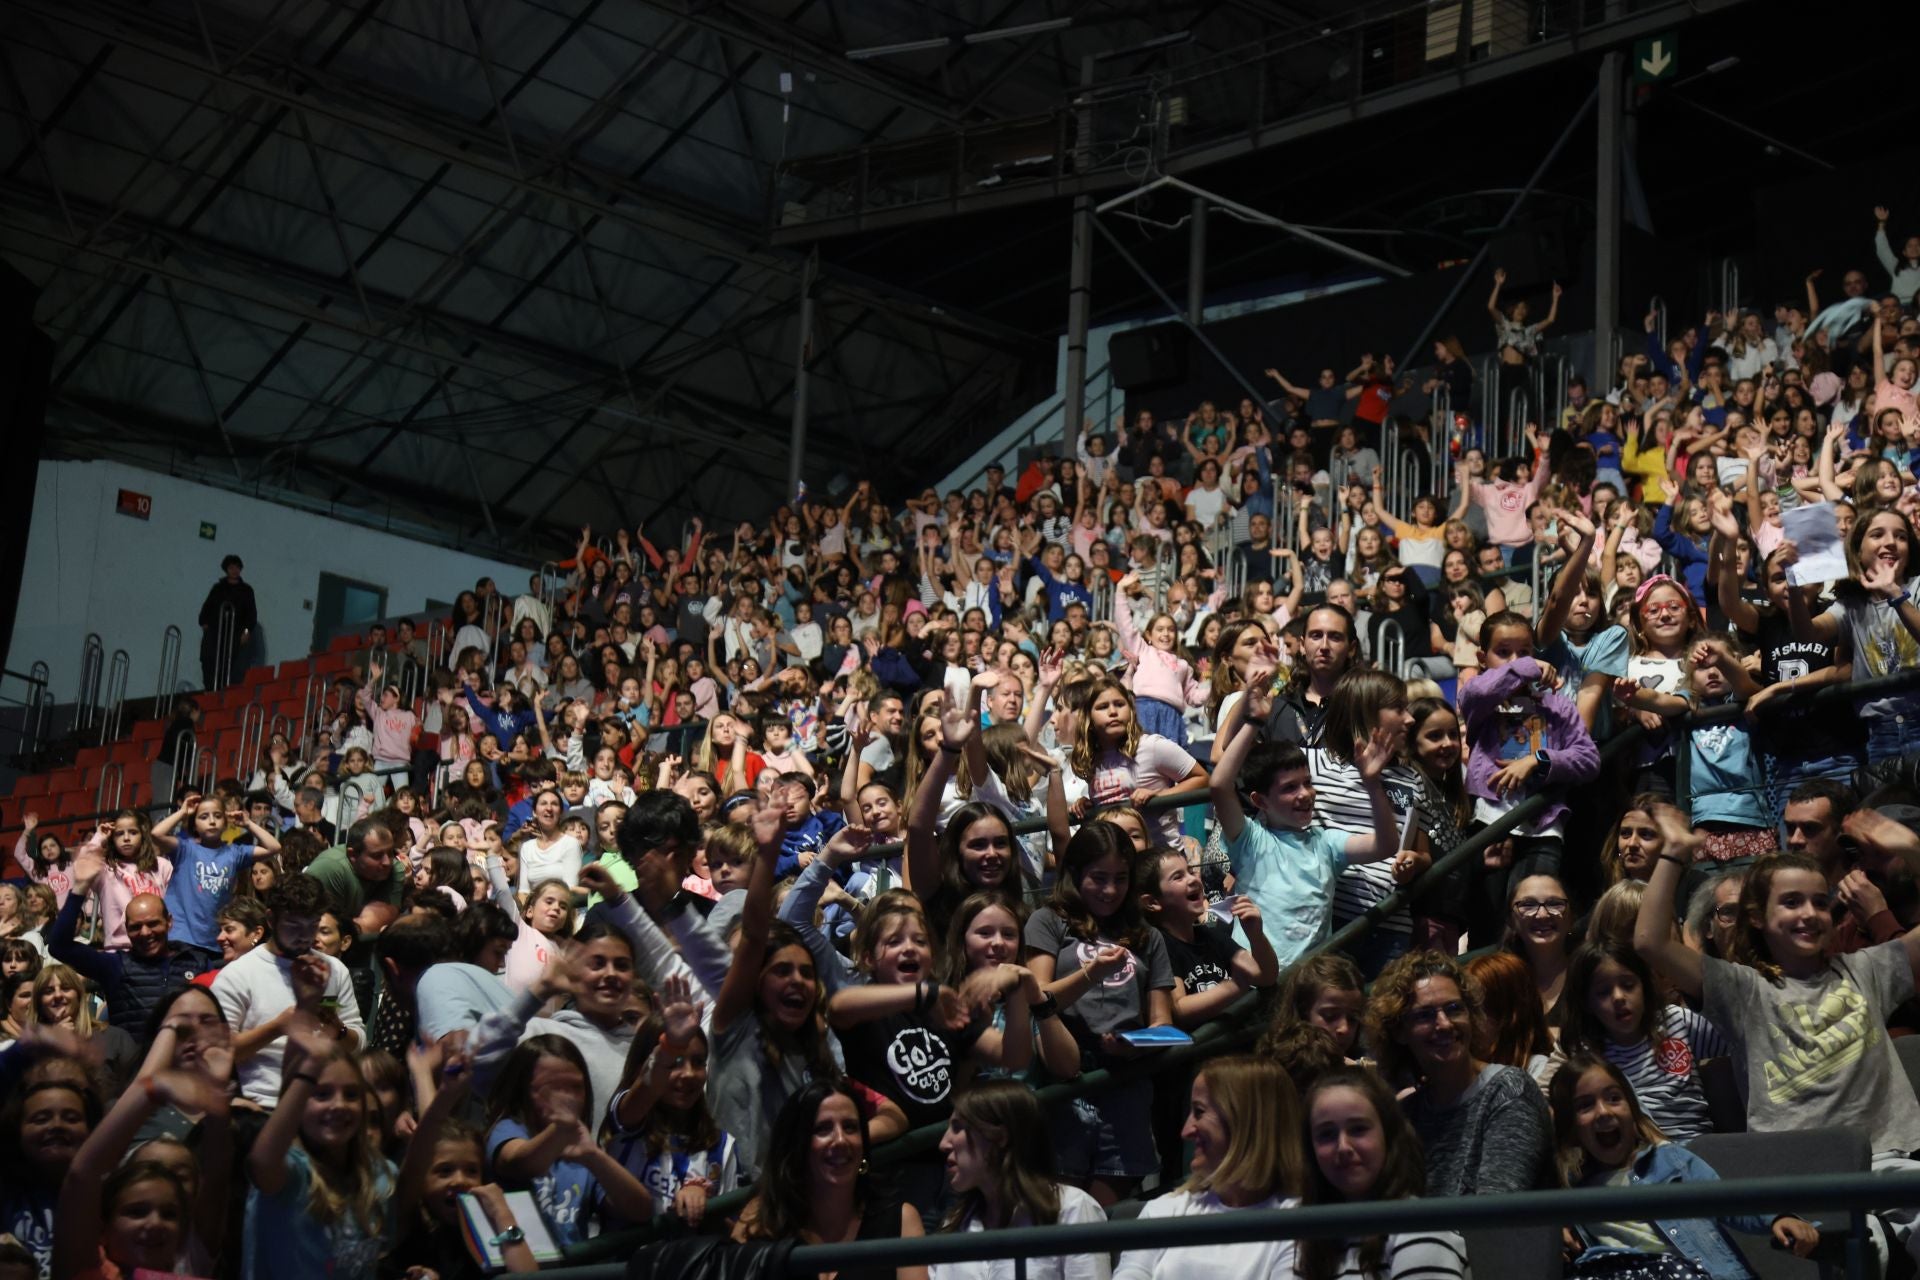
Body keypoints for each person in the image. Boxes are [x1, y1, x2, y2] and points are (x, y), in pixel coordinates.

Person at [1552, 1051, 1819, 1277]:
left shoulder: (1670, 1161)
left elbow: (1730, 1200)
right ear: (1571, 1129)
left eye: (1613, 1098)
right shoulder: (1573, 1195)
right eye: (1585, 1106)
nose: (1603, 1112)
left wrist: (1778, 1218)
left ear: (1633, 1112)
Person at [1365, 949, 1555, 1196]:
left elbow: (1495, 1210)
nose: (1444, 1024)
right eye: (1425, 1015)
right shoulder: (1407, 1114)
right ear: (1399, 1031)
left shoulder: (1508, 1091)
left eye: (1454, 1009)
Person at [1111, 1056, 1305, 1279]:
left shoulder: (1300, 1222)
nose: (1186, 1131)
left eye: (1199, 1112)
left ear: (1243, 1121)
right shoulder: (1164, 1210)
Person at [733, 1079, 927, 1280]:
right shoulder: (761, 1224)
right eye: (823, 1129)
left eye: (850, 1127)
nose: (841, 1140)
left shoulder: (901, 1222)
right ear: (798, 1145)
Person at [1298, 1066, 1470, 1280]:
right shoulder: (1309, 1240)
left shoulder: (1420, 1227)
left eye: (1358, 1129)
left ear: (1388, 1136)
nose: (1342, 1146)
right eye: (1326, 1134)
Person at [213, 873, 367, 1105]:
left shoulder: (334, 969)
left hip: (323, 1100)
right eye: (294, 925)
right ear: (271, 920)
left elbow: (360, 1044)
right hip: (264, 1101)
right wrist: (278, 1027)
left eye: (312, 925)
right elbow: (217, 1053)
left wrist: (339, 1030)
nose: (305, 936)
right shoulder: (238, 974)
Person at [932, 1080, 1109, 1280]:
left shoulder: (1072, 1209)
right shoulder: (954, 1224)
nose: (943, 1143)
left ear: (999, 1137)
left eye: (957, 1127)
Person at [198, 553, 257, 690]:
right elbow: (207, 608)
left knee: (231, 666)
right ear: (226, 569)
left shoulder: (246, 591)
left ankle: (224, 694)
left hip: (235, 635)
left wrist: (246, 631)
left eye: (237, 567)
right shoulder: (218, 589)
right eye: (231, 567)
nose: (234, 571)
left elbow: (251, 614)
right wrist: (205, 624)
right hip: (215, 634)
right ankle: (209, 692)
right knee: (209, 663)